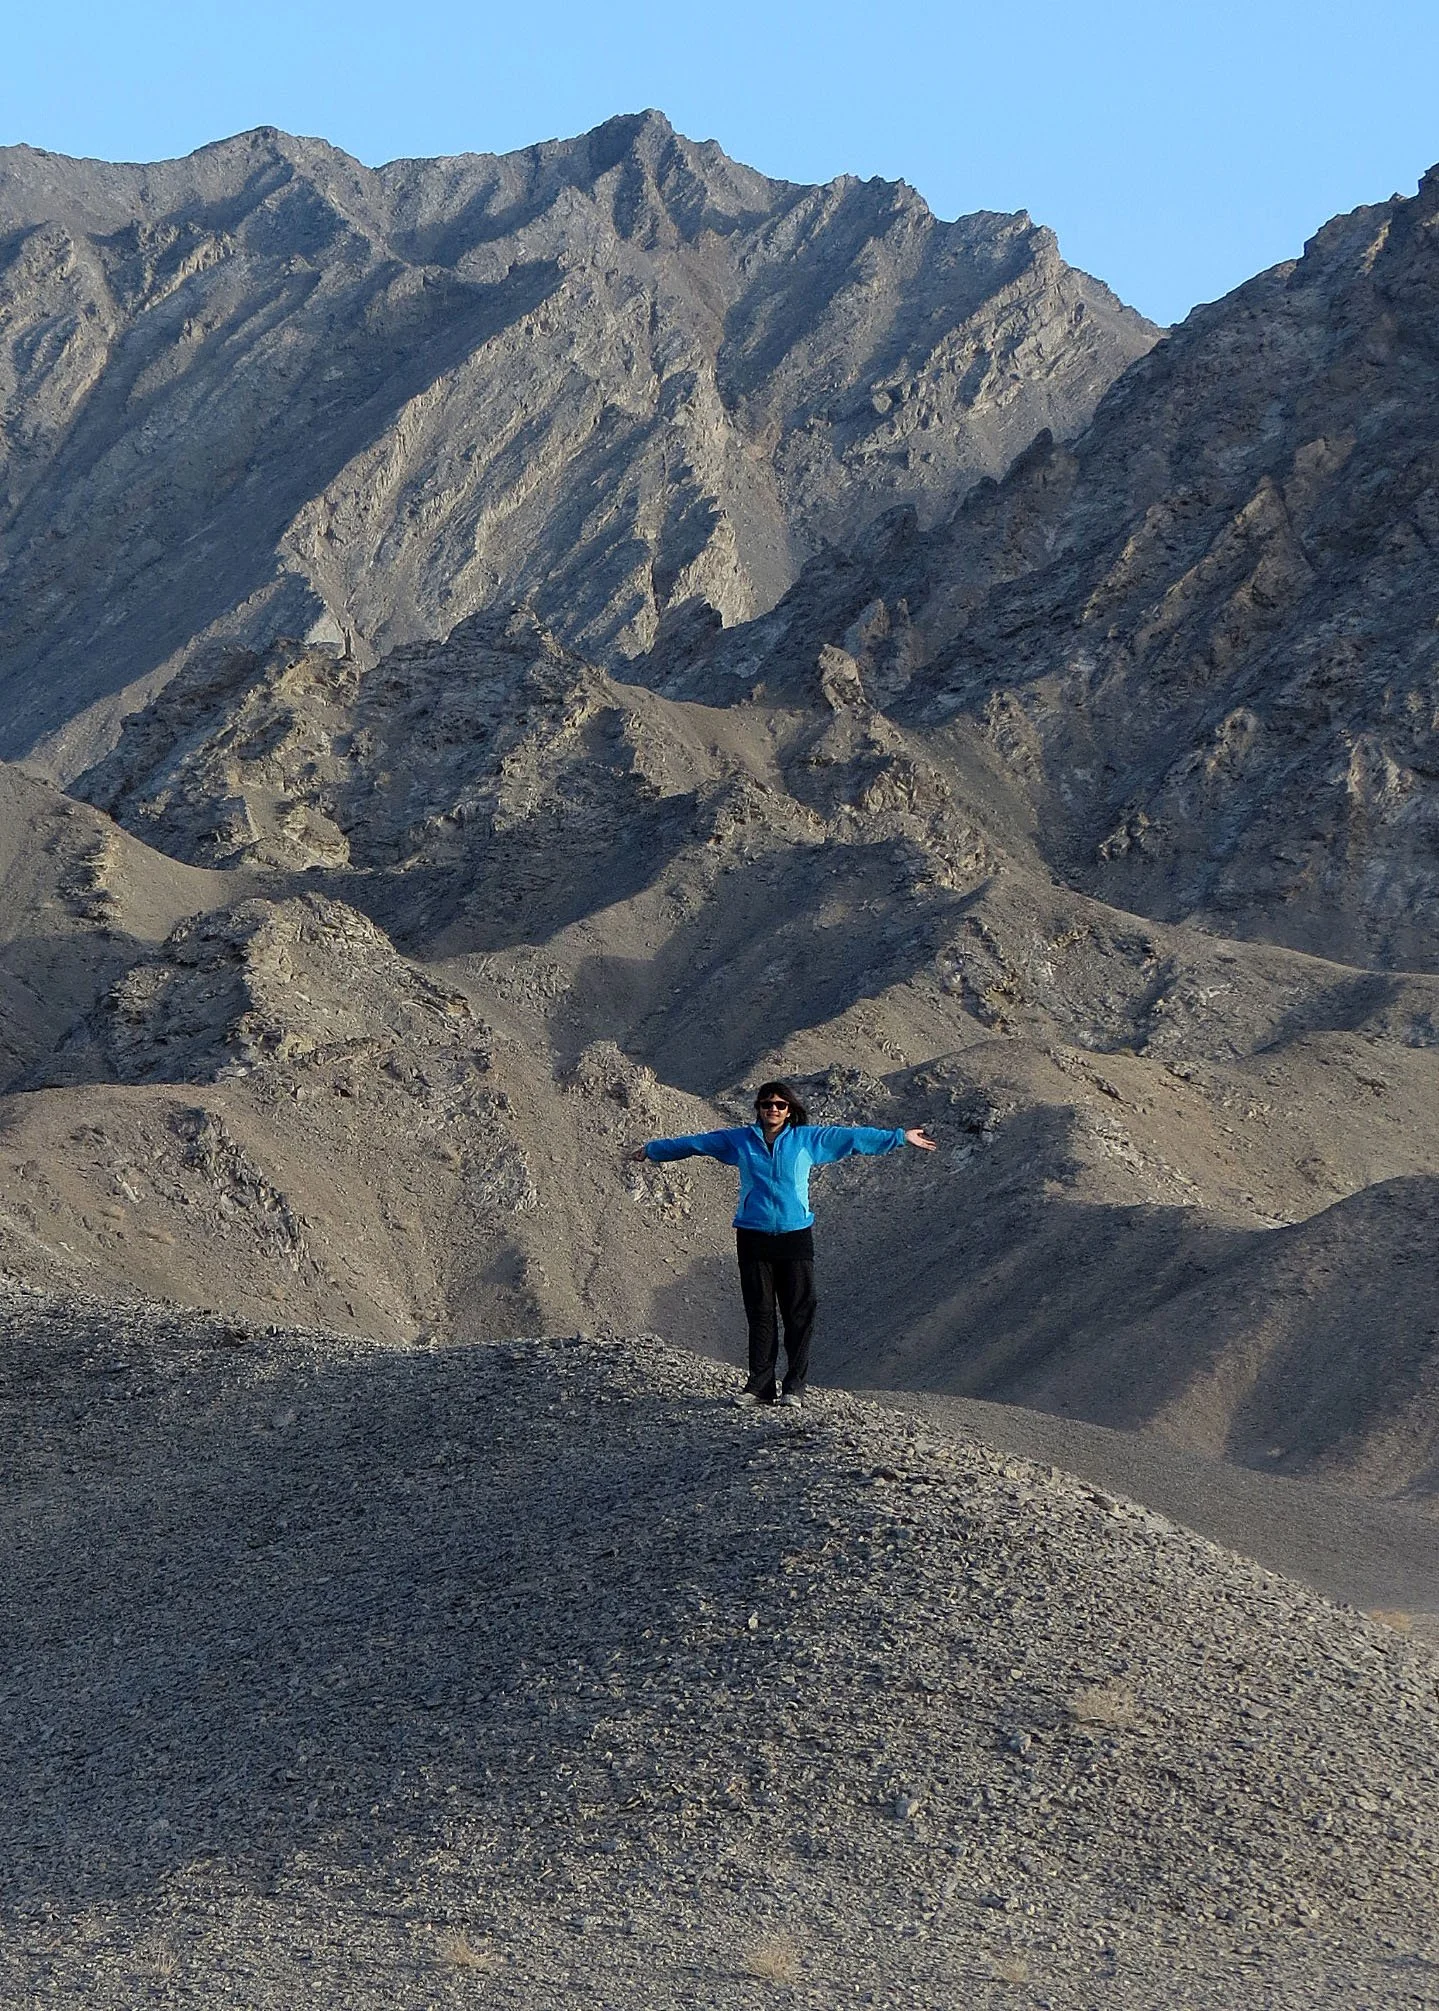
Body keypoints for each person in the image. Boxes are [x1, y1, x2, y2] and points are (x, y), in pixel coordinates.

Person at [630, 1080, 936, 1409]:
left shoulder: (807, 1139)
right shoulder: (740, 1141)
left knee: (798, 1312)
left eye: (780, 1104)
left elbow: (851, 1138)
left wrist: (899, 1137)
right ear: (758, 1108)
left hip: (794, 1236)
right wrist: (652, 1150)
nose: (773, 1109)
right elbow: (696, 1143)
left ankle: (794, 1387)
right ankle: (759, 1387)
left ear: (789, 1110)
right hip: (753, 1235)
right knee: (760, 1312)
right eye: (767, 1104)